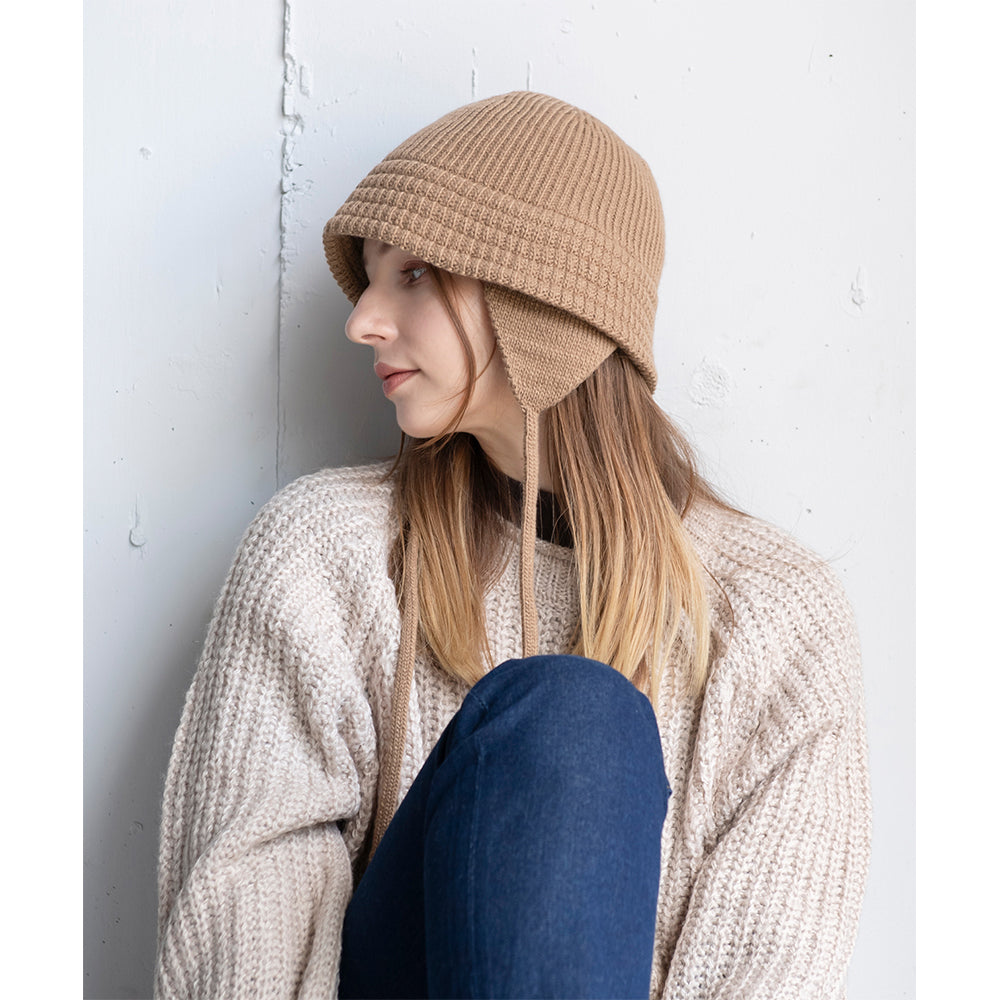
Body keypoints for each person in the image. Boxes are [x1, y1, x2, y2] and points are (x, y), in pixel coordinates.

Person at [155, 91, 871, 1000]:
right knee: (572, 719)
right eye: (370, 278)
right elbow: (242, 948)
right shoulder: (323, 557)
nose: (362, 320)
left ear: (546, 304)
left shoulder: (776, 621)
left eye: (415, 274)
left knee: (575, 724)